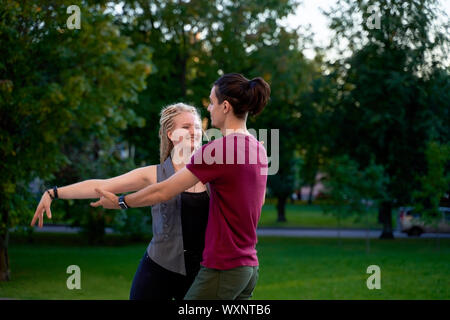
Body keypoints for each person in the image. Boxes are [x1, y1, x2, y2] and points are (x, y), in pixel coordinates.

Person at [91, 73, 271, 300]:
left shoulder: (218, 151)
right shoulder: (258, 149)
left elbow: (163, 190)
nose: (209, 109)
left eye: (212, 102)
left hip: (223, 268)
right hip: (248, 268)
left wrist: (120, 201)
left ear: (225, 107)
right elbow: (259, 200)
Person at [31, 103, 211, 300]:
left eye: (196, 126)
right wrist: (53, 193)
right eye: (186, 127)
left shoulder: (214, 175)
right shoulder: (154, 174)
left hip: (200, 272)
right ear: (170, 134)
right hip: (159, 269)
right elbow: (102, 185)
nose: (194, 131)